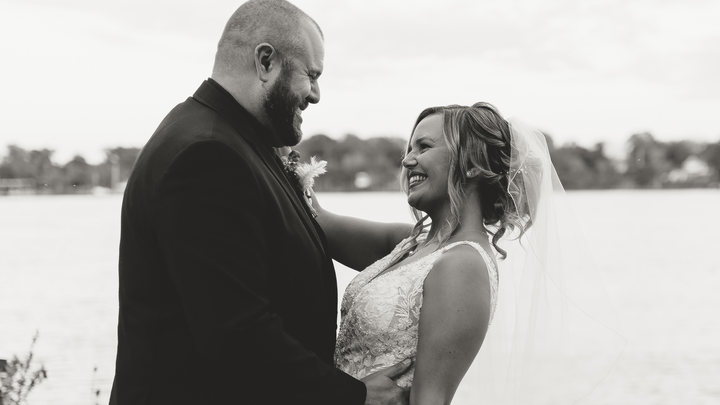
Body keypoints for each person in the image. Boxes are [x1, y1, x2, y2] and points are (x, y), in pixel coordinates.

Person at [109, 1, 410, 404]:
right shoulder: (207, 155)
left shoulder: (239, 144)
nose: (316, 95)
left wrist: (440, 242)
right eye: (311, 75)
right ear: (266, 61)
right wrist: (354, 396)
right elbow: (236, 334)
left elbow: (316, 232)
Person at [311, 103, 625, 404]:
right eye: (409, 149)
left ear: (472, 164)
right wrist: (285, 154)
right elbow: (318, 220)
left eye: (424, 147)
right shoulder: (409, 243)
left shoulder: (463, 265)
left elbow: (431, 400)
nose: (407, 161)